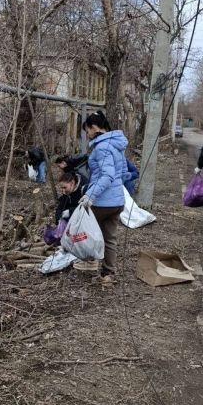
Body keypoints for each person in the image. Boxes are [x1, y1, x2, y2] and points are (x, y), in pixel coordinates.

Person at [78, 111, 128, 285]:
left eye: (87, 130)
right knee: (110, 238)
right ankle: (108, 274)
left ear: (94, 127)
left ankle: (88, 263)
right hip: (117, 201)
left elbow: (107, 176)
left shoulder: (102, 147)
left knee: (84, 230)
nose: (87, 134)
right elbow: (122, 173)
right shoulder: (116, 145)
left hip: (103, 201)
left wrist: (89, 195)